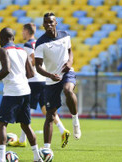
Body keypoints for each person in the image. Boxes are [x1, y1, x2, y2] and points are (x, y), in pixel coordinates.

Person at [0, 27, 43, 162]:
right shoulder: (22, 51)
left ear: (1, 39)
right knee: (26, 125)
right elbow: (30, 73)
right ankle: (37, 157)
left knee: (1, 124)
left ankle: (1, 159)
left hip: (12, 92)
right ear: (13, 38)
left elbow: (6, 69)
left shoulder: (2, 50)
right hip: (25, 91)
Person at [9, 23, 70, 148]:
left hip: (34, 80)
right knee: (47, 110)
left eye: (22, 31)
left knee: (27, 109)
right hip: (44, 79)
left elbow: (33, 60)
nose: (21, 33)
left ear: (26, 31)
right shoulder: (38, 42)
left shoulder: (27, 45)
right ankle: (62, 129)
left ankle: (22, 139)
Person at [35, 12, 81, 150]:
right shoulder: (40, 43)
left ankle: (75, 120)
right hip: (51, 79)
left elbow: (70, 52)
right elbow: (37, 67)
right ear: (43, 25)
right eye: (46, 22)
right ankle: (46, 149)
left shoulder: (65, 35)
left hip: (67, 72)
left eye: (51, 22)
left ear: (56, 23)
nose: (49, 24)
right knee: (50, 115)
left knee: (68, 90)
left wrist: (70, 62)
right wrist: (49, 75)